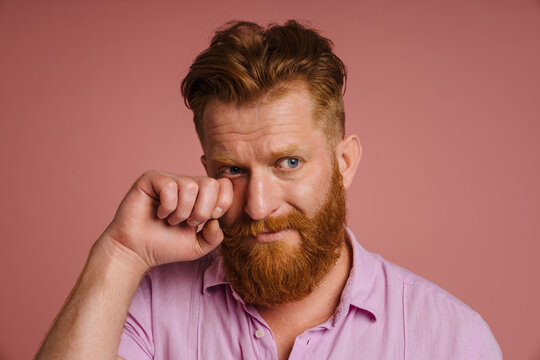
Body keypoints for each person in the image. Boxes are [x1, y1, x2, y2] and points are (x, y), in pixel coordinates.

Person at [35, 20, 502, 360]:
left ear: (344, 163)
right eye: (233, 170)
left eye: (289, 163)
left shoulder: (453, 338)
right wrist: (119, 253)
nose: (258, 204)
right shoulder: (149, 308)